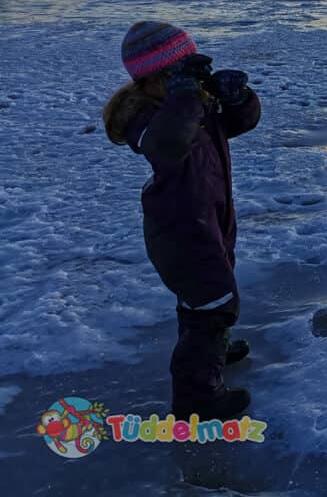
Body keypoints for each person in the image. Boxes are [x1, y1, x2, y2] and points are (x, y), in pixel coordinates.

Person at [103, 21, 261, 419]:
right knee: (214, 304)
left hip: (211, 218)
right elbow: (169, 143)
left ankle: (212, 352)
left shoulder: (192, 105)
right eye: (183, 70)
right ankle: (198, 397)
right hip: (180, 229)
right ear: (159, 77)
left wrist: (238, 97)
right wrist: (187, 96)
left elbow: (238, 124)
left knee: (205, 299)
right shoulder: (145, 117)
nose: (195, 76)